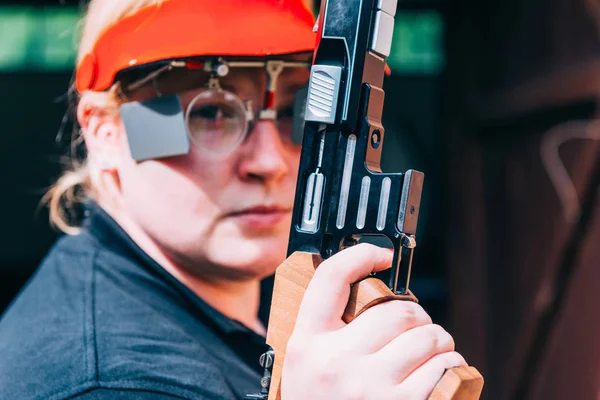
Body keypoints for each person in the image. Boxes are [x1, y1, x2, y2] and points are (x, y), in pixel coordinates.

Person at [0, 0, 468, 399]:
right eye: (209, 112)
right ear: (105, 133)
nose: (270, 161)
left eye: (294, 109)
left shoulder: (255, 297)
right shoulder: (114, 383)